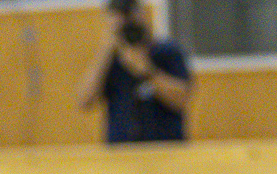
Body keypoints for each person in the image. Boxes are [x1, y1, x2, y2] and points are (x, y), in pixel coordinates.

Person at [77, 0, 192, 144]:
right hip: (120, 153)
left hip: (165, 149)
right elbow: (84, 101)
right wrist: (107, 49)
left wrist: (147, 71)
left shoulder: (167, 52)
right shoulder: (110, 60)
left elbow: (181, 99)